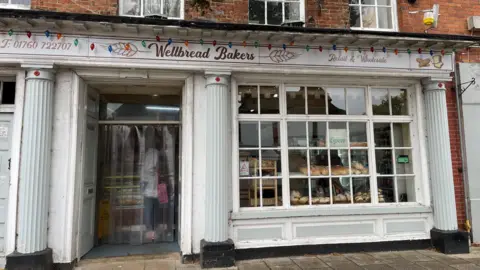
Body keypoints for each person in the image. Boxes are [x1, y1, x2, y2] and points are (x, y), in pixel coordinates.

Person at [141, 127, 161, 242]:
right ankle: (151, 232)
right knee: (151, 209)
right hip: (151, 186)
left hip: (150, 186)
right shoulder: (153, 153)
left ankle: (151, 231)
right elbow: (150, 169)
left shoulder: (150, 152)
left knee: (151, 209)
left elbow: (147, 169)